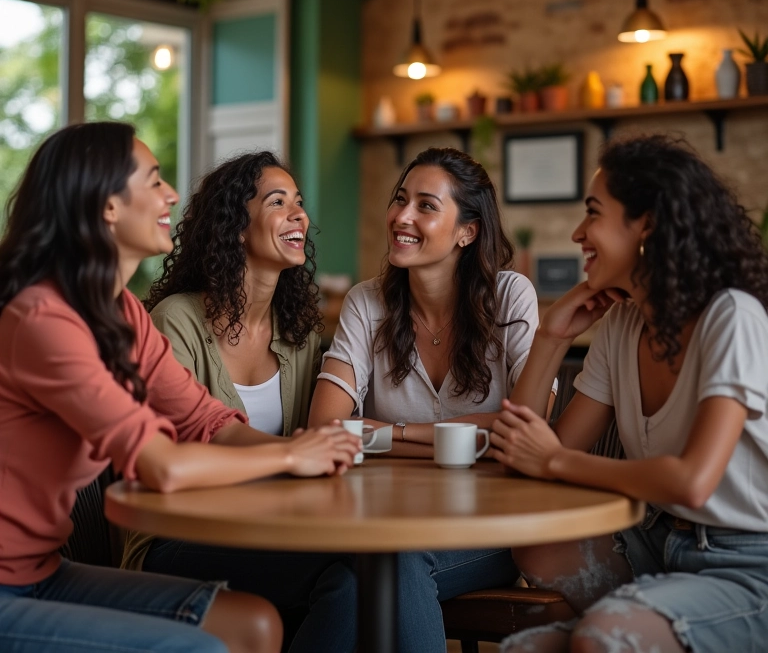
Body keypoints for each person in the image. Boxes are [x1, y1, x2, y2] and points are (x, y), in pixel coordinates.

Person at [0, 122, 359, 653]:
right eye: (153, 181)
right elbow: (162, 465)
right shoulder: (43, 318)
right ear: (107, 207)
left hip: (44, 569)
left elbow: (205, 422)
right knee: (202, 647)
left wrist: (306, 450)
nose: (170, 194)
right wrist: (288, 458)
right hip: (8, 587)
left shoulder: (120, 312)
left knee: (254, 624)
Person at [490, 134, 768, 653]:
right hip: (663, 542)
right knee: (536, 558)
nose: (578, 233)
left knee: (597, 639)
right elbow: (521, 459)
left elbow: (691, 482)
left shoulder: (731, 316)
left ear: (648, 225)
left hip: (752, 565)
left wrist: (554, 463)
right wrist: (552, 336)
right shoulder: (621, 323)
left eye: (593, 213)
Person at [308, 146, 545, 653]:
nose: (402, 216)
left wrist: (387, 434)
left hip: (492, 524)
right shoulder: (366, 302)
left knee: (387, 561)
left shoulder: (511, 296)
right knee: (352, 582)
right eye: (400, 199)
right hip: (384, 518)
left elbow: (522, 428)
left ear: (468, 231)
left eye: (426, 205)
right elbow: (323, 430)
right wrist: (470, 439)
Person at [122, 151, 357, 653]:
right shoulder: (177, 322)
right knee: (356, 574)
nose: (300, 216)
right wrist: (293, 456)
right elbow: (177, 456)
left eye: (300, 203)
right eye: (279, 202)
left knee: (362, 578)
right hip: (182, 536)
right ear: (234, 226)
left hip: (279, 530)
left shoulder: (300, 335)